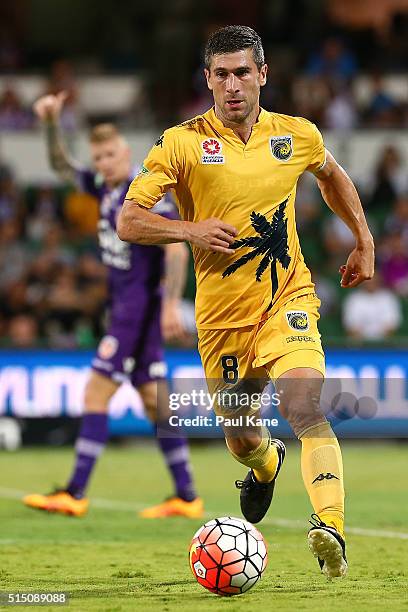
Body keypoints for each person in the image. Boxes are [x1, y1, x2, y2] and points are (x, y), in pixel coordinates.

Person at [117, 26, 375, 577]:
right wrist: (188, 230)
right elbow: (128, 220)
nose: (233, 85)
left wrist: (363, 238)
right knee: (240, 438)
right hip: (221, 320)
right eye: (221, 75)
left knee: (304, 406)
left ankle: (331, 527)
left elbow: (331, 176)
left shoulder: (295, 135)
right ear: (208, 80)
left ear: (262, 74)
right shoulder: (180, 142)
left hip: (287, 300)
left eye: (242, 72)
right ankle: (264, 464)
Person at [23, 92, 203, 519]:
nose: (103, 162)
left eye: (109, 154)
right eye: (98, 156)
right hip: (127, 304)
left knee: (96, 389)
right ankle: (187, 496)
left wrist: (168, 306)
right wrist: (51, 122)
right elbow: (62, 167)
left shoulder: (144, 194)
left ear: (125, 153)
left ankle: (75, 491)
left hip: (137, 308)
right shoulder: (102, 189)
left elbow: (178, 247)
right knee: (155, 402)